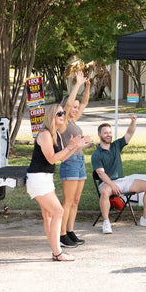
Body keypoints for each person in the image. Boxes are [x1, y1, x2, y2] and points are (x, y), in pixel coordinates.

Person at [26, 104, 90, 261]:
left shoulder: (55, 135)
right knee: (58, 212)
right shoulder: (45, 134)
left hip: (45, 178)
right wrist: (70, 146)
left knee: (48, 215)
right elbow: (51, 158)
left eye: (63, 113)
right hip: (38, 178)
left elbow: (63, 158)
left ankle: (55, 251)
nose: (63, 115)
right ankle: (57, 252)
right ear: (51, 116)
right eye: (59, 113)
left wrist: (75, 147)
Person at [91, 115, 146, 234]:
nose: (108, 135)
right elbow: (101, 174)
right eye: (105, 133)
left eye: (110, 132)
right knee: (104, 192)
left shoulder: (116, 145)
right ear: (99, 135)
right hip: (106, 183)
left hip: (122, 181)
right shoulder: (96, 154)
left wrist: (133, 121)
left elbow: (129, 133)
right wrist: (112, 185)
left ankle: (145, 218)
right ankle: (106, 222)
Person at [59, 71, 91, 248]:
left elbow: (84, 102)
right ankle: (61, 234)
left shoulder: (74, 121)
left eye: (77, 107)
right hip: (69, 163)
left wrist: (87, 87)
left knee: (76, 201)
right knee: (68, 201)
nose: (76, 108)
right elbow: (70, 102)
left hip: (79, 162)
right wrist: (77, 85)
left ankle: (70, 231)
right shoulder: (63, 121)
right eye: (74, 107)